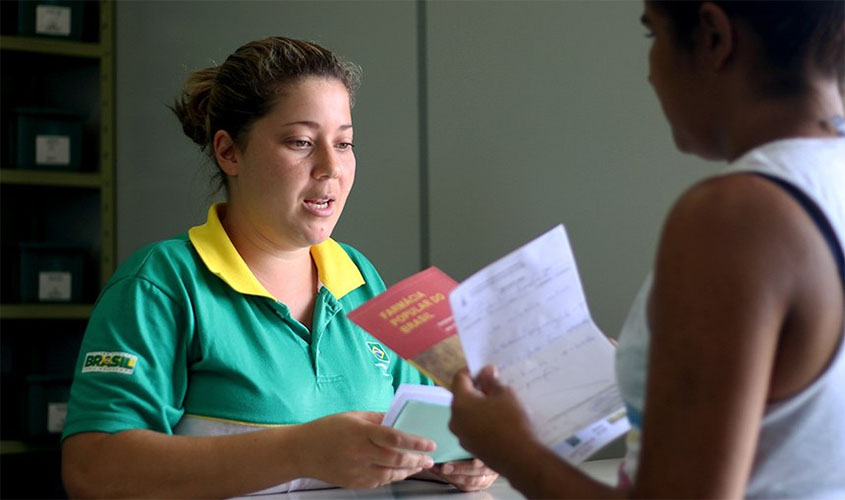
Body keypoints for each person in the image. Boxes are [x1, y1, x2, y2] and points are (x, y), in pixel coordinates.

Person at [61, 36, 496, 498]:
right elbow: (93, 470)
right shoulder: (161, 285)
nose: (331, 167)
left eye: (344, 143)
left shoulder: (360, 278)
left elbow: (408, 430)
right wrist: (298, 450)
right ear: (229, 152)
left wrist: (445, 458)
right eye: (301, 142)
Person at [449, 1, 845, 498]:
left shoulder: (733, 218)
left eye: (652, 36)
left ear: (714, 37)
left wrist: (511, 449)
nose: (652, 75)